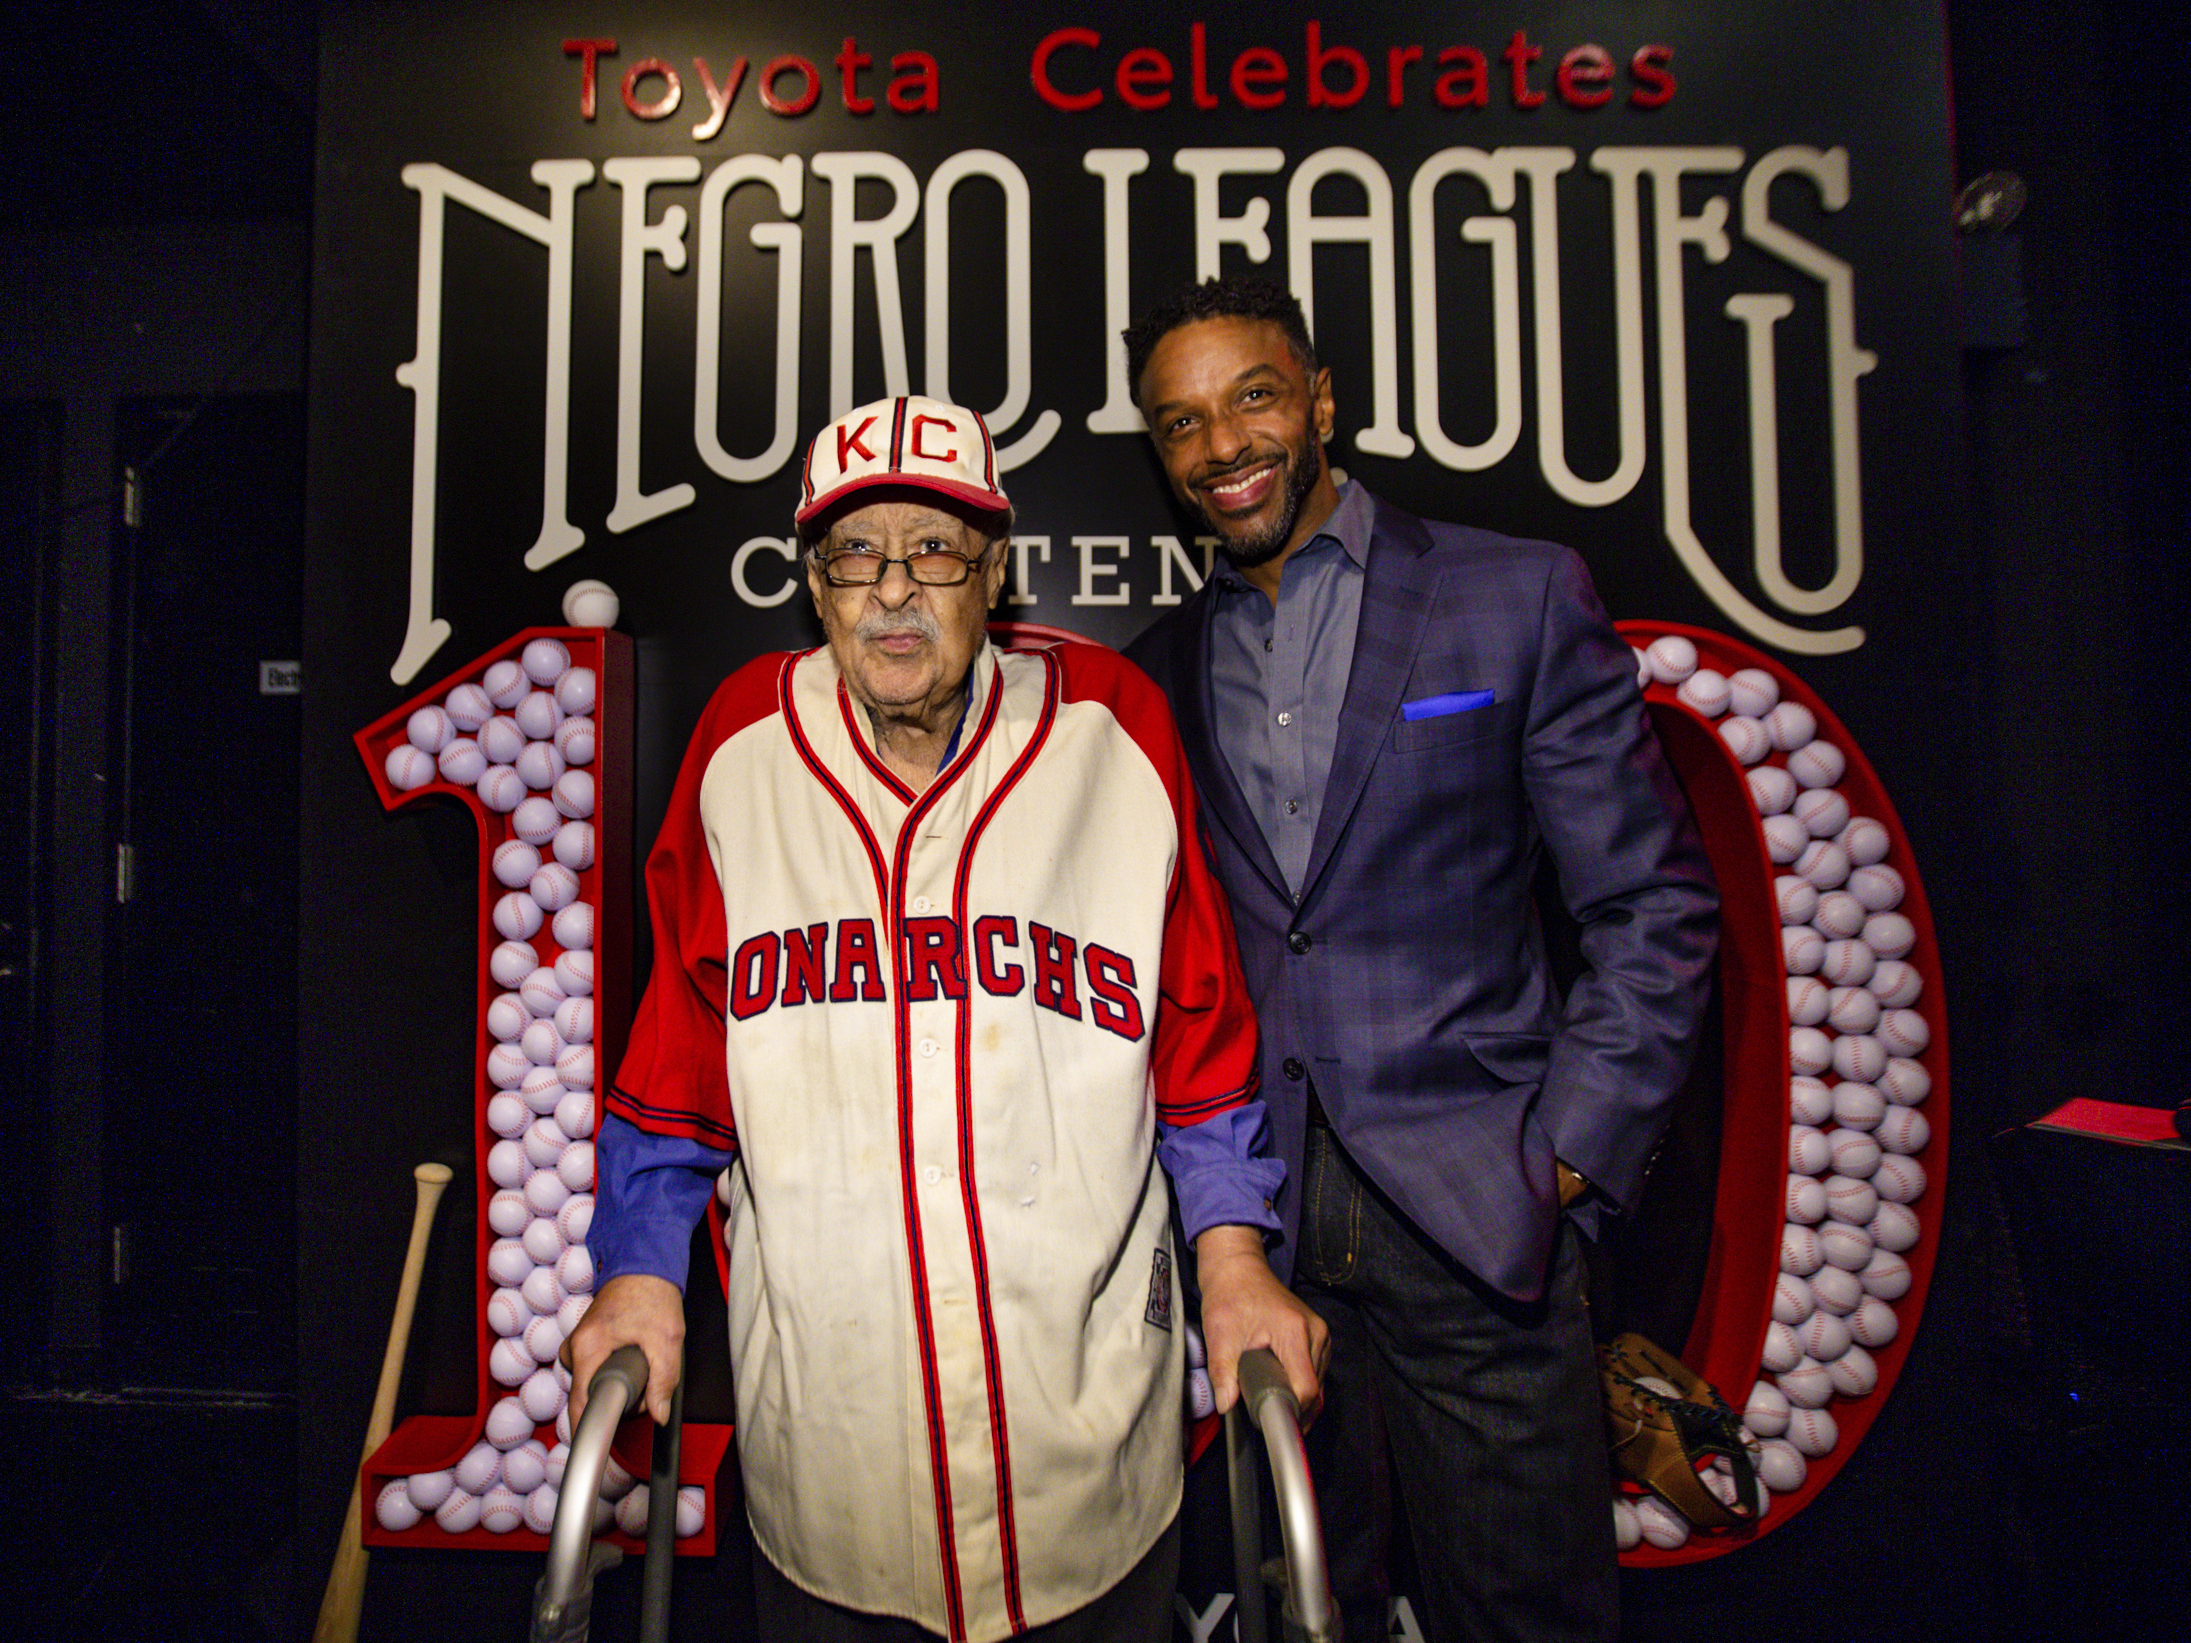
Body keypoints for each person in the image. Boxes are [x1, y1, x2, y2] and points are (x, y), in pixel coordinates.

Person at [564, 393, 1327, 1643]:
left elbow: (1196, 1028)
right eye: (857, 554)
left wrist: (1233, 1251)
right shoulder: (743, 748)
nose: (896, 591)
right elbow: (679, 1048)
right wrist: (641, 1263)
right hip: (830, 1446)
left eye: (937, 549)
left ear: (995, 571)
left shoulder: (1111, 729)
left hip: (1083, 1442)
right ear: (815, 583)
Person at [1122, 277, 1719, 1642]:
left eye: (1252, 396)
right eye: (1180, 422)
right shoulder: (1157, 669)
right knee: (1291, 1612)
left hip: (1479, 1217)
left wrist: (1561, 1153)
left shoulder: (1508, 594)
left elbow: (1649, 903)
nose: (1221, 444)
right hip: (1258, 1238)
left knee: (1520, 1615)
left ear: (1320, 400)